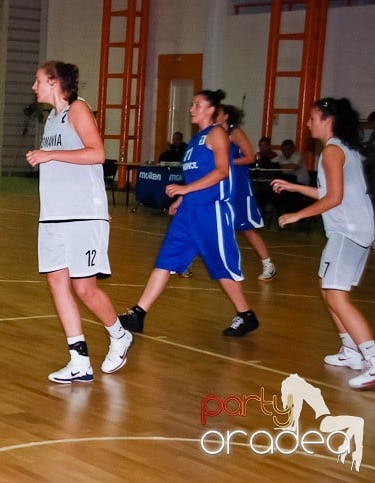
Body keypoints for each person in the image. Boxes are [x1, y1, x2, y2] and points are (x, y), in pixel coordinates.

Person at [119, 90, 260, 337]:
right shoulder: (195, 141)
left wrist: (185, 189)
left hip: (212, 210)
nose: (191, 109)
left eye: (197, 105)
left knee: (222, 267)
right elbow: (197, 176)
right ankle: (138, 314)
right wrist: (183, 198)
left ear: (211, 110)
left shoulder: (217, 134)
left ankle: (246, 315)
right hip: (190, 212)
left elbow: (221, 173)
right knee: (165, 261)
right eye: (192, 104)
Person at [25, 61, 132, 383]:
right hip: (54, 215)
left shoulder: (78, 109)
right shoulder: (51, 119)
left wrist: (50, 155)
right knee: (57, 282)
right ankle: (78, 359)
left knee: (84, 288)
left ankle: (119, 335)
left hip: (83, 214)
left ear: (55, 83)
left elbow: (98, 154)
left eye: (38, 80)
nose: (34, 86)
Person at [271, 97, 375, 389]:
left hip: (348, 231)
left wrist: (295, 215)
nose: (307, 123)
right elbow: (329, 191)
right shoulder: (343, 149)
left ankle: (372, 358)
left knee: (335, 295)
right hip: (356, 229)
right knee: (327, 287)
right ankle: (351, 351)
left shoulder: (331, 151)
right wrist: (293, 186)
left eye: (312, 117)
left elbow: (334, 198)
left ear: (328, 120)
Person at [216, 104, 277, 281]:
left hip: (240, 186)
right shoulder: (215, 133)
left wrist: (227, 163)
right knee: (211, 223)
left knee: (247, 229)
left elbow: (250, 157)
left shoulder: (235, 132)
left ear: (226, 116)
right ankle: (184, 264)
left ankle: (268, 265)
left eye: (217, 113)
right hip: (223, 184)